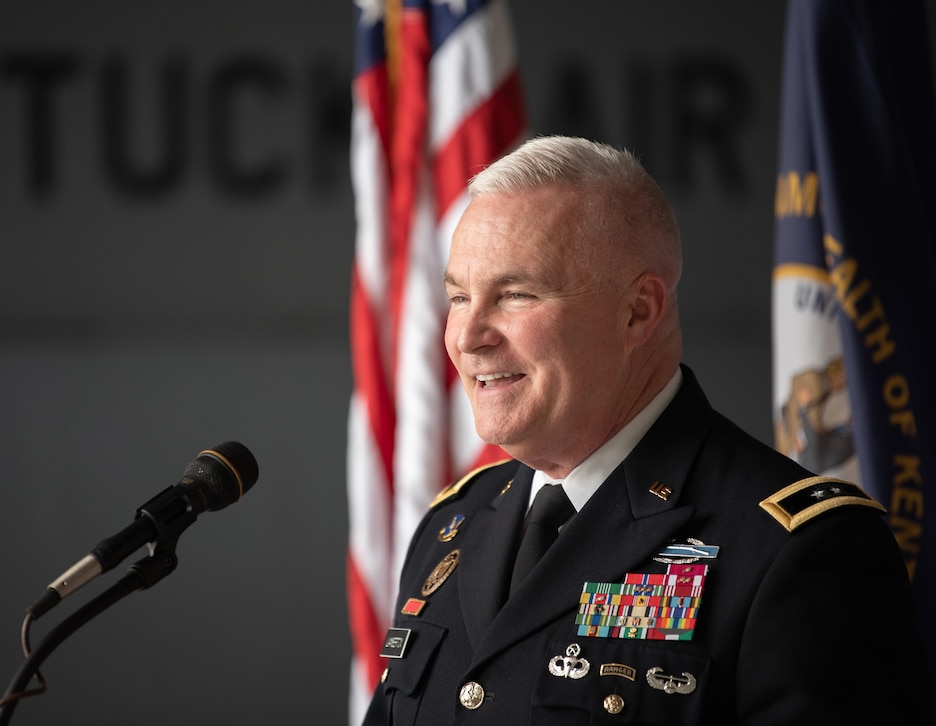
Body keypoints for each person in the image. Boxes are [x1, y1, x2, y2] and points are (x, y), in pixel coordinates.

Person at [362, 136, 930, 725]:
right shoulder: (450, 529)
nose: (468, 335)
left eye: (515, 294)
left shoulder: (797, 552)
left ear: (637, 311)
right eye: (459, 296)